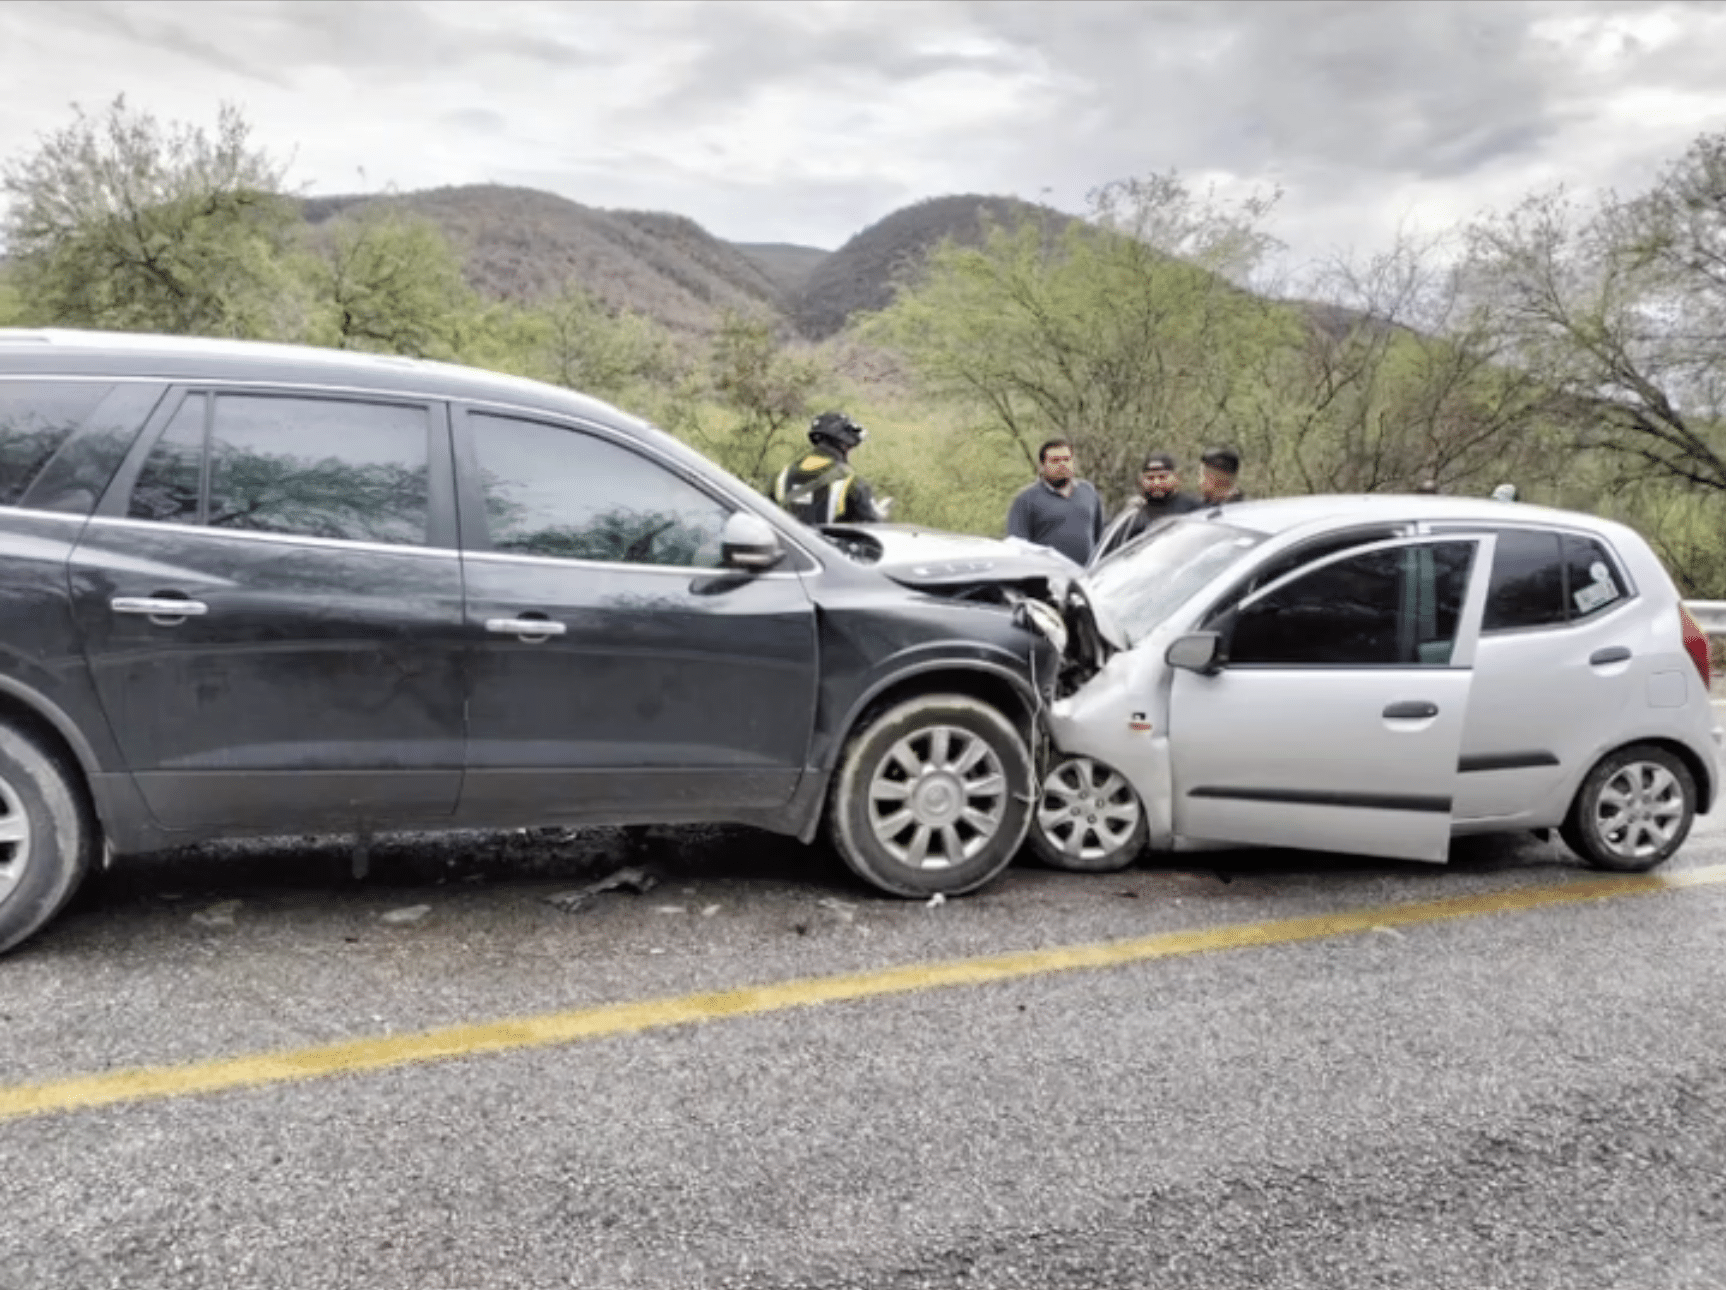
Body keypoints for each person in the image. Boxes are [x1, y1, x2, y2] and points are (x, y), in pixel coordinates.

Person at [771, 411, 883, 525]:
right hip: (826, 543)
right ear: (844, 446)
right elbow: (875, 528)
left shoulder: (783, 474)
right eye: (851, 447)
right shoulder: (850, 482)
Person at [1005, 438, 1104, 565]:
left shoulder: (1088, 492)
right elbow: (1018, 547)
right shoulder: (1026, 500)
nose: (1062, 464)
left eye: (1067, 459)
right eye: (1055, 461)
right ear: (1042, 466)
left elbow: (1099, 538)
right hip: (1047, 578)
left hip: (1086, 576)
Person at [1092, 450, 1202, 562]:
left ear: (1176, 478)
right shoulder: (1132, 516)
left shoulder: (1193, 508)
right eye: (1150, 478)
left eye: (1162, 477)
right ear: (1141, 480)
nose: (1156, 483)